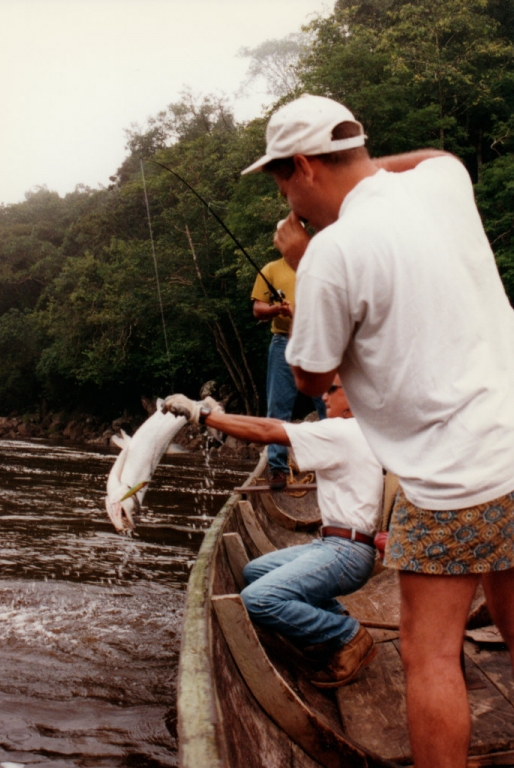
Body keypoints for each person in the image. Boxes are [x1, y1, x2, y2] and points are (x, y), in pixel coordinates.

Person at [241, 93, 514, 768]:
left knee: (429, 657)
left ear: (303, 165)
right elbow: (435, 155)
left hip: (450, 480)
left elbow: (311, 379)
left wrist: (304, 255)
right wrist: (356, 175)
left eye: (281, 182)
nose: (287, 201)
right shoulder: (443, 182)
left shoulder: (330, 253)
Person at [162, 378, 383, 688]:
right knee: (254, 571)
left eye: (333, 390)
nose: (324, 396)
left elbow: (268, 430)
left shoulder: (344, 430)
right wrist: (218, 416)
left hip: (346, 552)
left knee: (257, 599)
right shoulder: (357, 432)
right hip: (335, 544)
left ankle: (347, 635)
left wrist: (205, 416)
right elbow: (273, 430)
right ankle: (334, 622)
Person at [251, 254, 325, 492]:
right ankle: (278, 467)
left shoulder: (322, 265)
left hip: (319, 340)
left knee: (328, 403)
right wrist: (277, 309)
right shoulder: (270, 269)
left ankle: (333, 463)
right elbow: (258, 309)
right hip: (282, 342)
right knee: (277, 407)